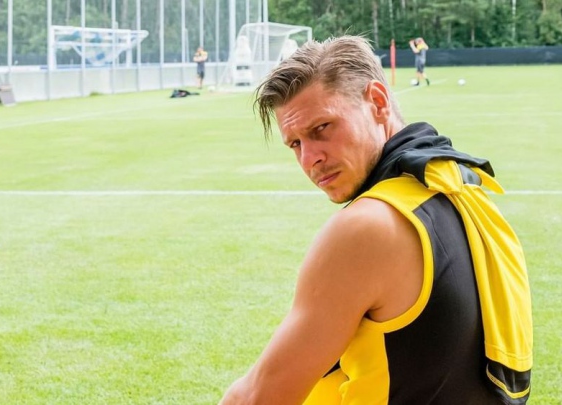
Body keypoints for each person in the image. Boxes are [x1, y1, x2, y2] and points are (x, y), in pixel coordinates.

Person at [219, 35, 533, 405]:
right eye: (295, 144)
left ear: (378, 103)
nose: (309, 159)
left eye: (322, 128)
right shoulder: (460, 183)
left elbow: (257, 398)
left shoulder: (368, 227)